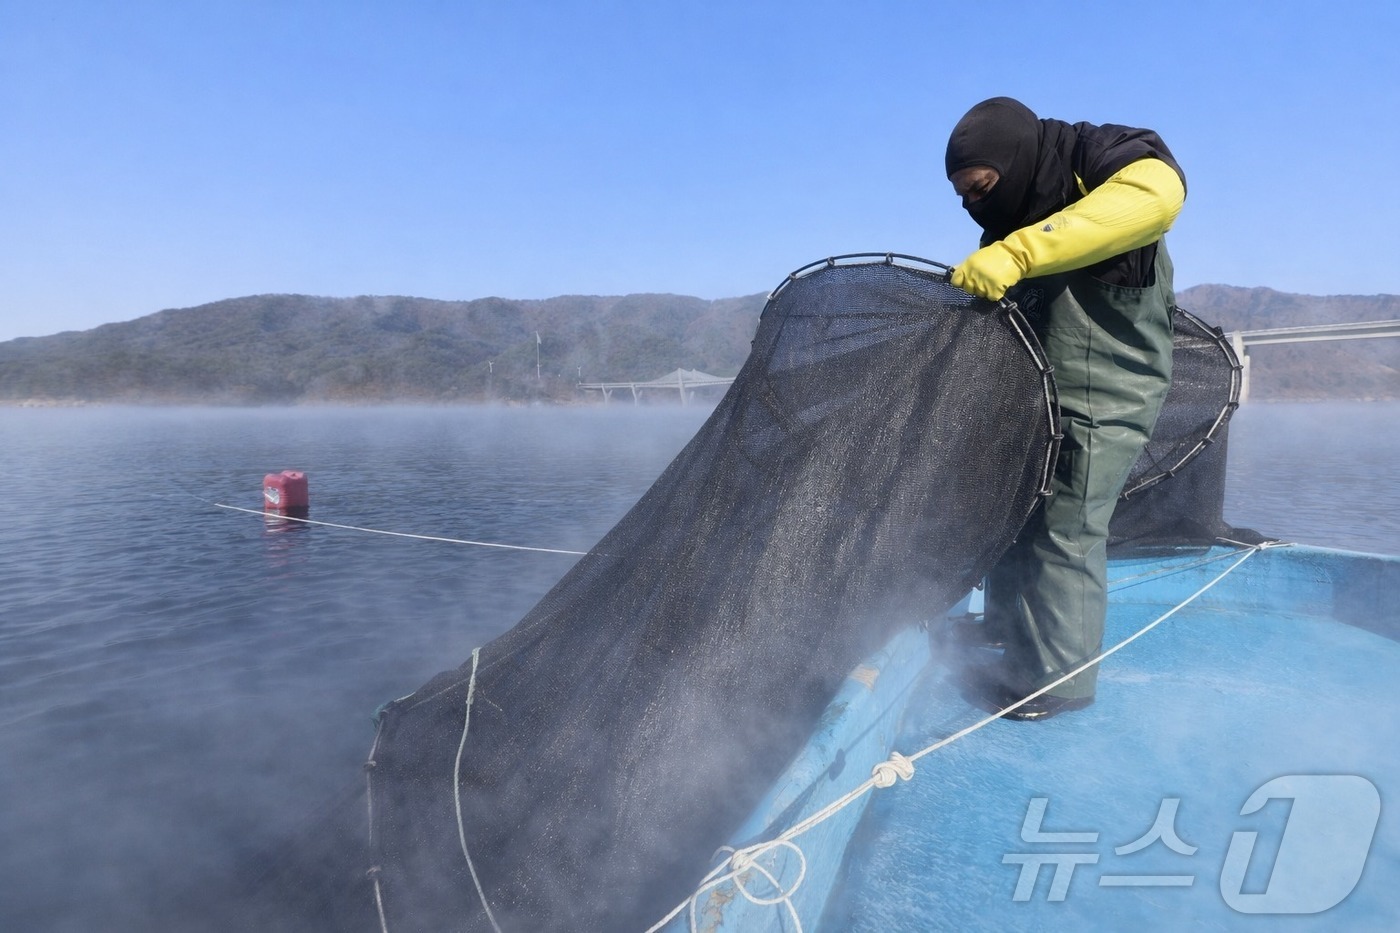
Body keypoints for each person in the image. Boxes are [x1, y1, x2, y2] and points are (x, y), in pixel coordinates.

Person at [944, 96, 1186, 720]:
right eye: (964, 197)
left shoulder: (1101, 154)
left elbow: (1159, 195)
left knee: (1067, 526)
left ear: (1015, 160)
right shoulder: (1012, 206)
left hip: (1112, 387)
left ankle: (1060, 679)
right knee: (1015, 506)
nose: (974, 205)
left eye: (982, 188)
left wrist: (1020, 253)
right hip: (1037, 386)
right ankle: (1001, 626)